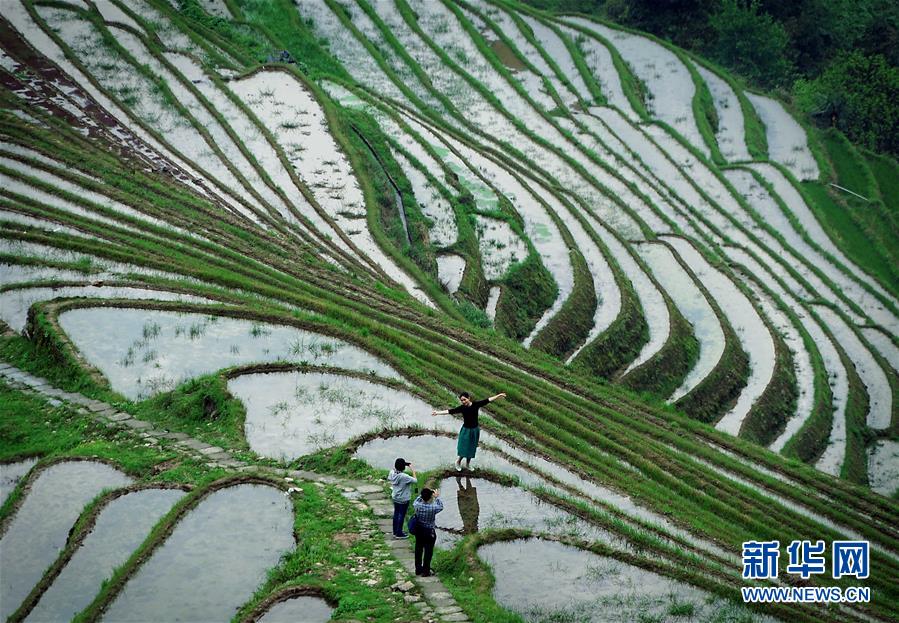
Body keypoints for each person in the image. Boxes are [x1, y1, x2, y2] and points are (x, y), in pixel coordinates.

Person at [432, 391, 506, 471]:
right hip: (466, 431)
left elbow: (487, 400)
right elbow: (450, 411)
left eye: (464, 399)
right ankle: (458, 462)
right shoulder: (462, 408)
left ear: (469, 398)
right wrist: (437, 413)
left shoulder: (476, 405)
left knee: (472, 448)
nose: (463, 402)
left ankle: (468, 464)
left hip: (475, 430)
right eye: (462, 400)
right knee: (464, 447)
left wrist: (498, 395)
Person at [411, 487, 443, 576]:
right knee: (428, 551)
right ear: (430, 497)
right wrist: (436, 497)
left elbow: (416, 500)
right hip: (429, 532)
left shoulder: (417, 505)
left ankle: (418, 569)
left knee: (418, 550)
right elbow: (441, 506)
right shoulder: (433, 508)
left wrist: (422, 495)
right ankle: (426, 571)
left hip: (419, 531)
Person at [388, 458, 417, 539]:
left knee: (396, 514)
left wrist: (402, 464)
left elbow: (394, 471)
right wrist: (413, 470)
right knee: (401, 515)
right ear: (403, 467)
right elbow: (415, 480)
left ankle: (395, 532)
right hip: (403, 499)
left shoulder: (392, 473)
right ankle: (399, 533)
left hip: (395, 497)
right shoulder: (404, 476)